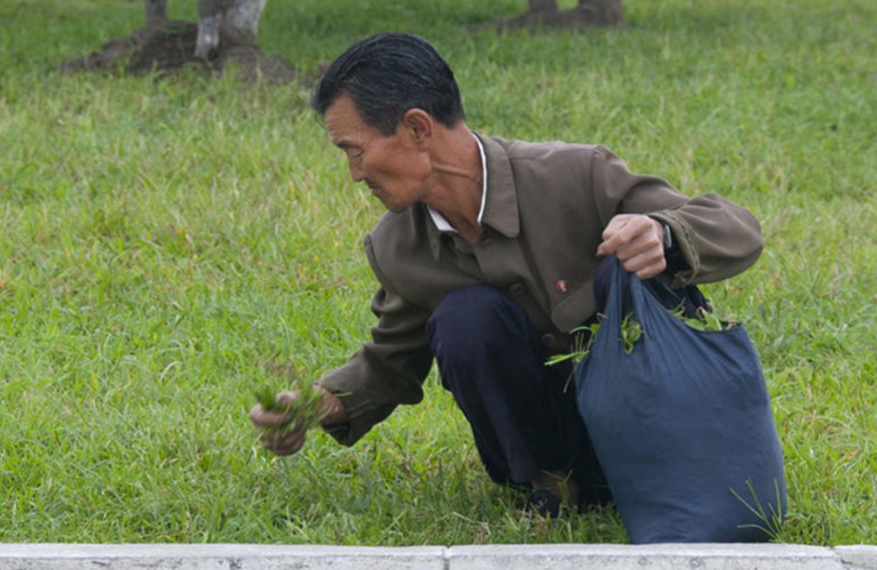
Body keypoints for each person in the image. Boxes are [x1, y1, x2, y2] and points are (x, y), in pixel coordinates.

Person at [249, 32, 763, 517]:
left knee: (620, 267)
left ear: (417, 128)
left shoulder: (575, 175)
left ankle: (659, 468)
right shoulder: (396, 246)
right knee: (465, 318)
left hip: (657, 433)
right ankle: (553, 484)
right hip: (556, 455)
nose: (355, 174)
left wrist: (664, 234)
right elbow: (390, 363)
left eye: (355, 150)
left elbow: (737, 229)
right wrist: (317, 405)